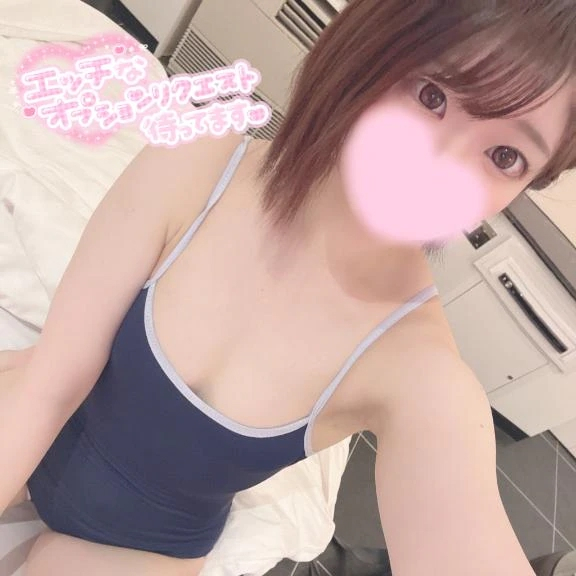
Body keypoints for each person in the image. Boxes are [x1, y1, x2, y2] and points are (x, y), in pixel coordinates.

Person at [1, 1, 575, 575]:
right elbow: (52, 382)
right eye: (431, 96)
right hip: (37, 414)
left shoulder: (418, 371)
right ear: (368, 50)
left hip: (139, 545)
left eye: (505, 156)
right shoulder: (197, 164)